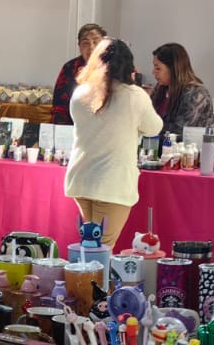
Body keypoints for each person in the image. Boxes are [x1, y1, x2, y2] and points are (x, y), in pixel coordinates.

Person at [64, 39, 163, 249]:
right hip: (112, 183)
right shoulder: (134, 95)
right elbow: (154, 127)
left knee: (89, 245)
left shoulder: (80, 93)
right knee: (101, 249)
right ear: (129, 65)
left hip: (81, 178)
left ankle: (80, 271)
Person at [149, 42, 214, 134]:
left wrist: (149, 125)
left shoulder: (196, 93)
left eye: (158, 68)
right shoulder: (160, 88)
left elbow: (180, 129)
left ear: (173, 69)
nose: (153, 72)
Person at [51, 24, 108, 125]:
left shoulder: (116, 66)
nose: (91, 47)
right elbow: (59, 106)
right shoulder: (69, 68)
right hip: (74, 126)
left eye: (96, 42)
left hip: (107, 127)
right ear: (79, 46)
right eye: (85, 43)